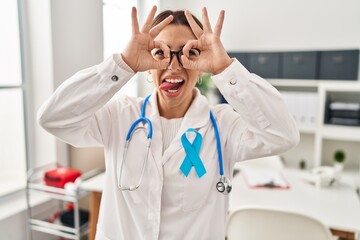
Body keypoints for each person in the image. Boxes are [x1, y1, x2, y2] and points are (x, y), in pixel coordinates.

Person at [38, 5, 299, 240]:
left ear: (201, 66)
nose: (174, 66)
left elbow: (283, 135)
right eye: (160, 53)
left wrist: (224, 68)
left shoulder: (224, 127)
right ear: (148, 64)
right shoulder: (120, 117)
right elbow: (53, 118)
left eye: (190, 53)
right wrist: (123, 65)